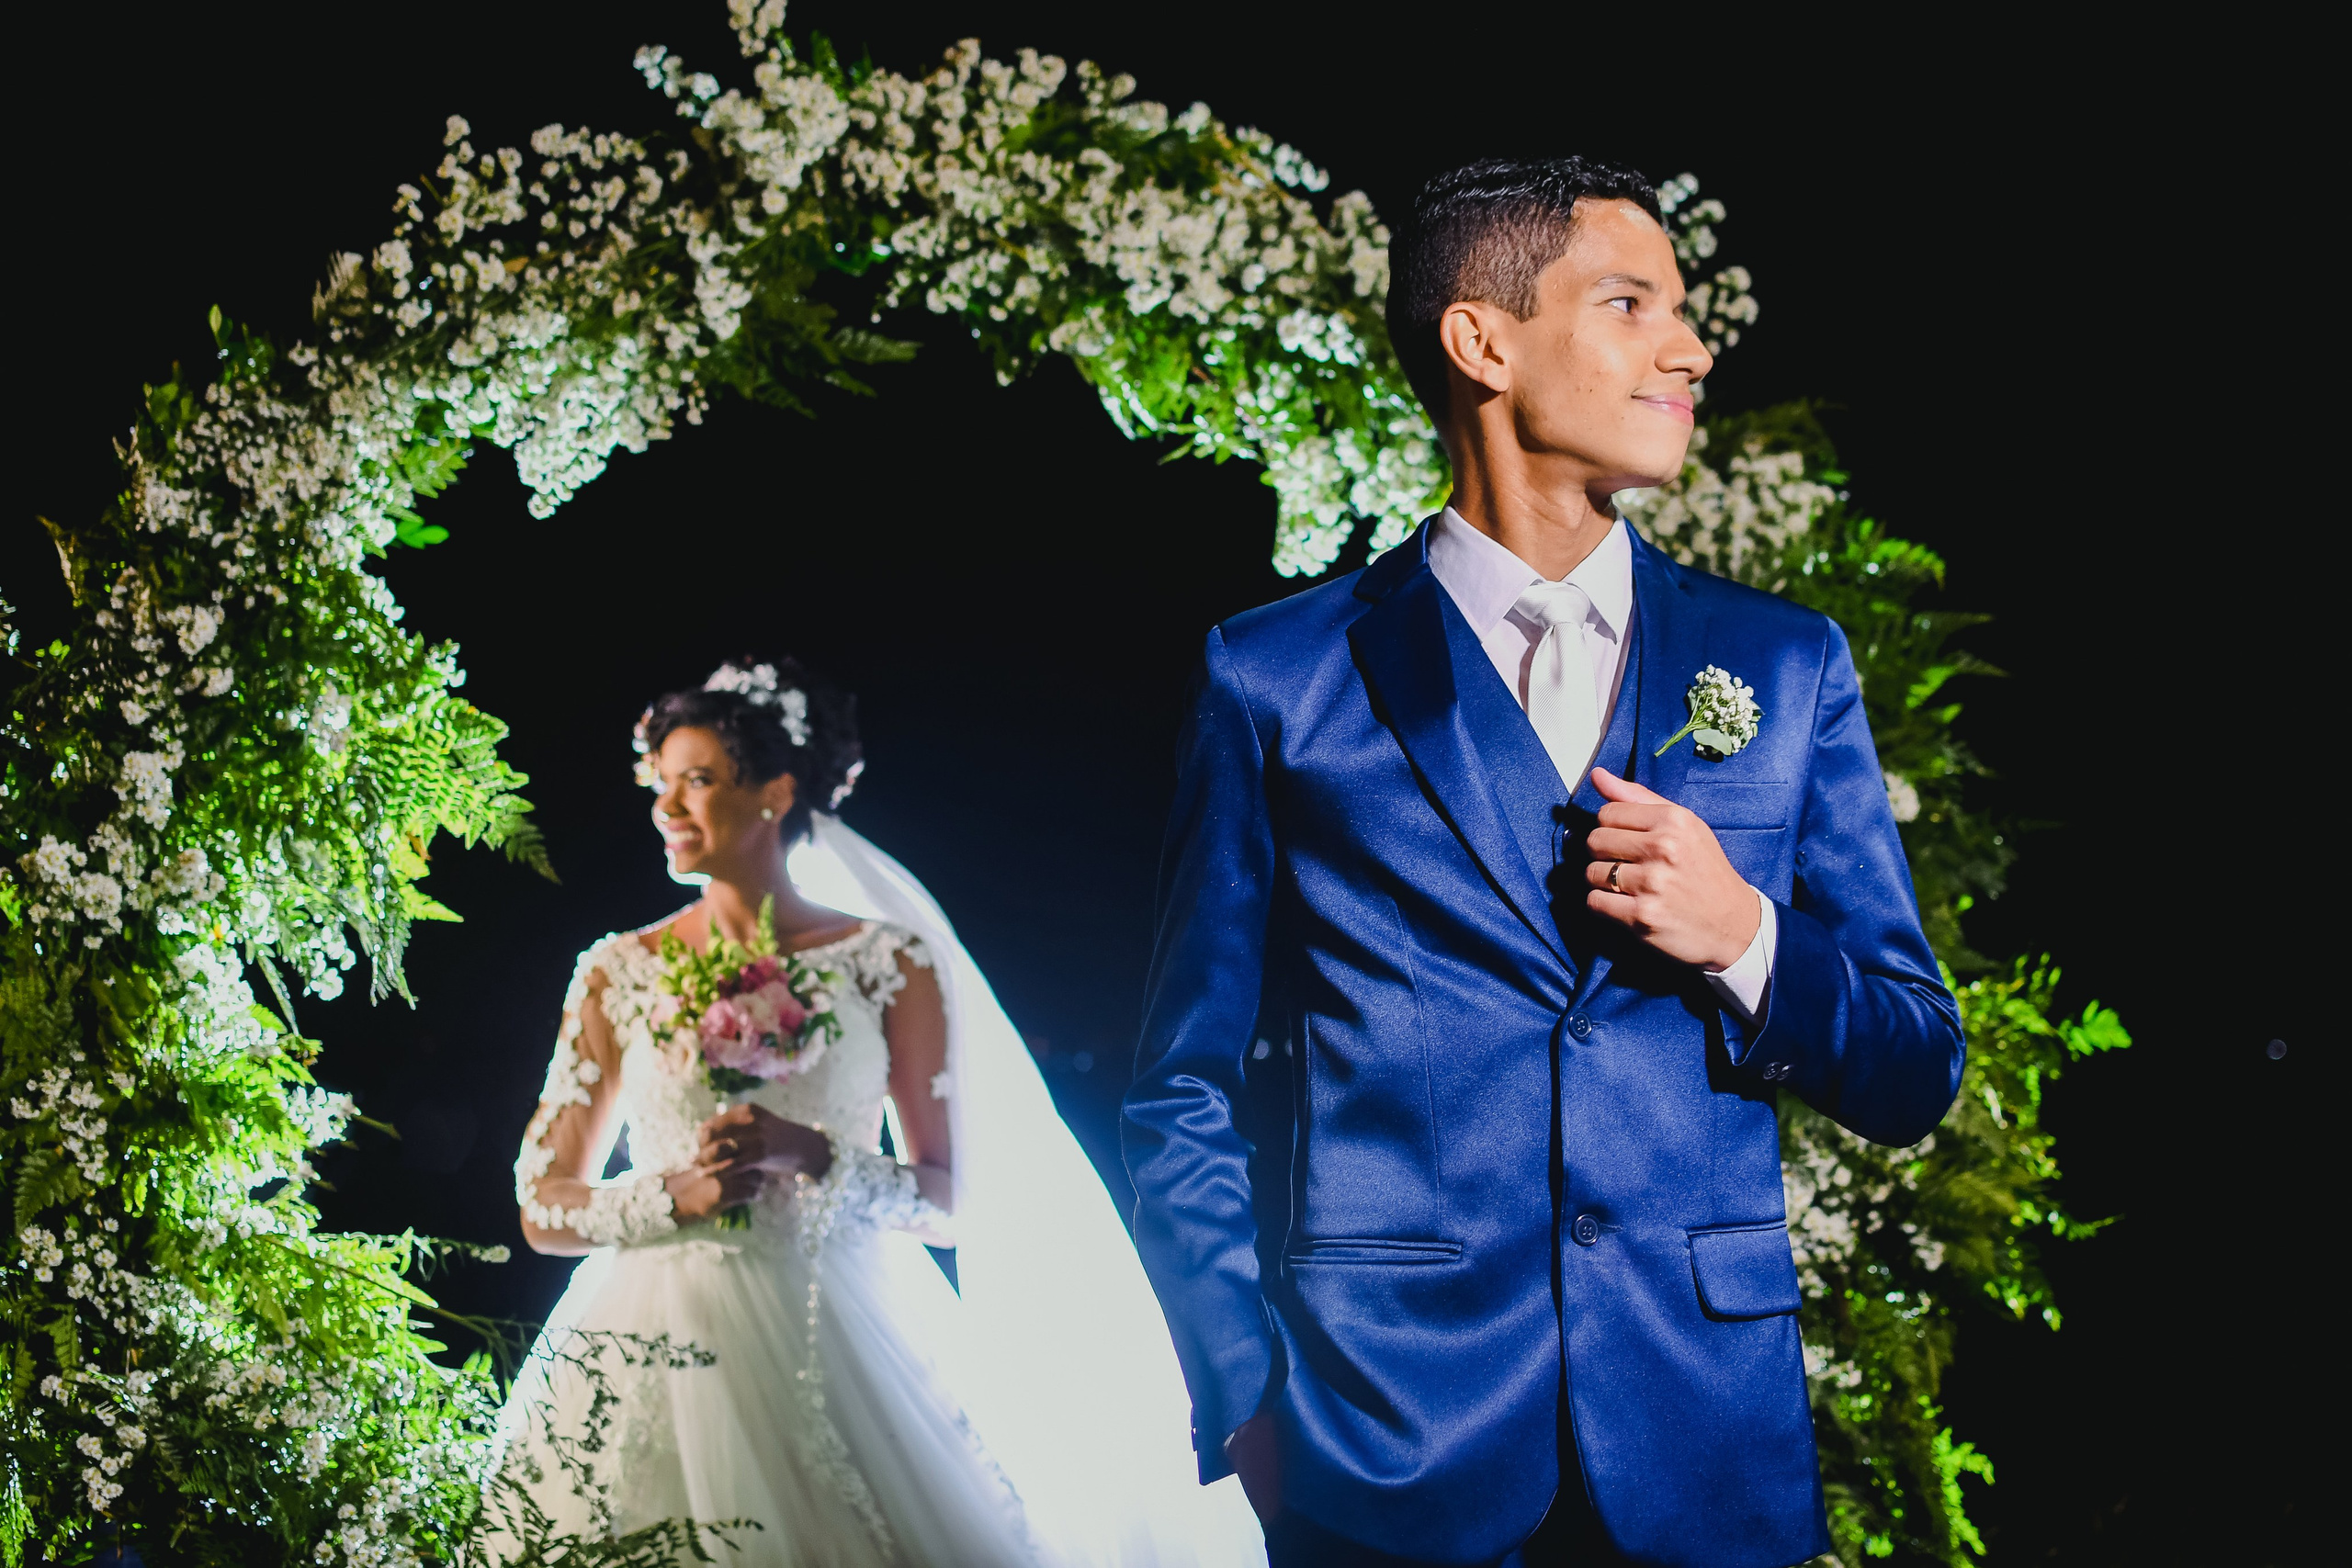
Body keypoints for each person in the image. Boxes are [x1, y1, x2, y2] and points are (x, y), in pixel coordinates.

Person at [1123, 159, 1967, 1568]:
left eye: (1683, 313)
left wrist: (1747, 934)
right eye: (1633, 303)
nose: (1688, 349)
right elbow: (1179, 1083)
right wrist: (1245, 1392)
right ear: (1483, 340)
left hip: (1706, 1449)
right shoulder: (1274, 675)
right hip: (1384, 1450)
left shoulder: (1784, 663)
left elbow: (1914, 1059)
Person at [500, 659, 1265, 1567]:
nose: (667, 806)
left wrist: (811, 1155)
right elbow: (543, 1204)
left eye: (697, 780)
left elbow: (947, 1202)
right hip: (642, 1339)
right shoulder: (613, 970)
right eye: (659, 784)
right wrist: (675, 1197)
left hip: (844, 1331)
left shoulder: (887, 964)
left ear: (776, 791)